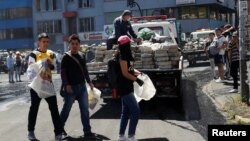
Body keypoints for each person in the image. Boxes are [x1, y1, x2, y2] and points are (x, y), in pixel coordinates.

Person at [27, 33, 63, 141]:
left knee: (54, 109)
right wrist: (41, 64)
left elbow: (53, 67)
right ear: (39, 42)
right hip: (36, 86)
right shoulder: (33, 54)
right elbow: (30, 71)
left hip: (48, 84)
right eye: (43, 41)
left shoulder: (51, 54)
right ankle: (30, 132)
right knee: (34, 108)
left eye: (47, 42)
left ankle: (58, 133)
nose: (46, 44)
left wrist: (49, 64)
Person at [60, 34, 96, 138]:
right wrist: (67, 85)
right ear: (69, 45)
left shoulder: (81, 56)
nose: (75, 46)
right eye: (73, 44)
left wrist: (89, 82)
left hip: (82, 87)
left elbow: (85, 70)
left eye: (76, 44)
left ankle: (87, 131)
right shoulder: (65, 57)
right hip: (71, 88)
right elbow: (63, 73)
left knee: (85, 110)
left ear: (79, 45)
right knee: (66, 110)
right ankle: (59, 128)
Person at [116, 35, 144, 141]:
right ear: (125, 45)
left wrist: (139, 74)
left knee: (125, 112)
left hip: (128, 86)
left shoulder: (128, 56)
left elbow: (131, 70)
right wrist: (137, 80)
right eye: (129, 44)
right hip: (124, 88)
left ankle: (121, 136)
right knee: (136, 111)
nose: (131, 45)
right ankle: (131, 136)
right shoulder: (122, 57)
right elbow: (125, 73)